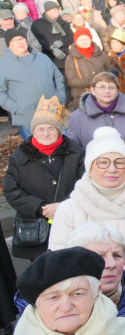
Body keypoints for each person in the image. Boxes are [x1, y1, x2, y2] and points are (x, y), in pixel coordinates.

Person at [49, 128, 125, 284]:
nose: (112, 169)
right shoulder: (69, 209)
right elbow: (60, 259)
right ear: (90, 167)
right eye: (103, 162)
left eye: (120, 162)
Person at [4, 96, 84, 260]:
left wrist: (64, 206)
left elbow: (87, 185)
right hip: (37, 230)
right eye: (40, 129)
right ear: (33, 131)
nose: (46, 133)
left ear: (59, 130)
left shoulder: (76, 153)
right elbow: (11, 190)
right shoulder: (19, 157)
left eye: (51, 128)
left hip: (73, 223)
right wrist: (40, 207)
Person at [0, 27, 66, 139]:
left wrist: (61, 97)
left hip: (52, 112)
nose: (20, 42)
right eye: (15, 40)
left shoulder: (42, 57)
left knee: (63, 145)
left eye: (22, 39)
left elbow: (58, 77)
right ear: (9, 45)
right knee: (36, 152)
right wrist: (16, 108)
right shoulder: (3, 64)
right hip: (26, 118)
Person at [64, 27, 112, 109]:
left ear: (90, 39)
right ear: (76, 41)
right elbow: (71, 80)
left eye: (86, 38)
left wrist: (105, 81)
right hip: (82, 97)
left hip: (104, 95)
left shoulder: (101, 54)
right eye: (80, 39)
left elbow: (111, 70)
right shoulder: (71, 58)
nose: (84, 42)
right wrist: (93, 82)